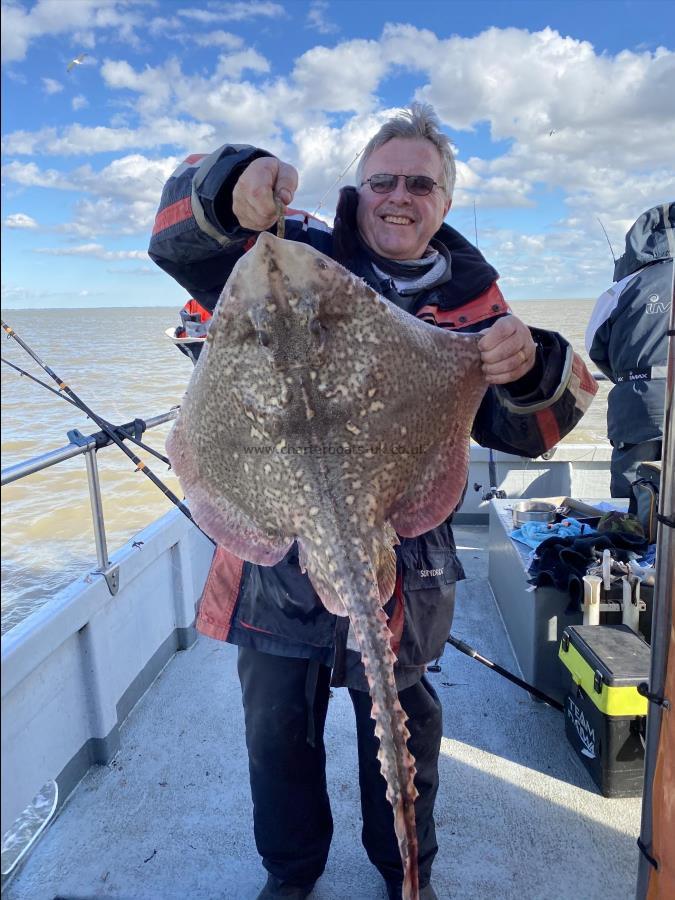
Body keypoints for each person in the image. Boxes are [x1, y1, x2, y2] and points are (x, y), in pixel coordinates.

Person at [149, 104, 597, 900]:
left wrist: (528, 365)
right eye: (381, 179)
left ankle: (404, 870)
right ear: (357, 187)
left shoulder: (473, 300)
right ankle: (291, 875)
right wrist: (229, 184)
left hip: (406, 551)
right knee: (276, 729)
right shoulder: (298, 249)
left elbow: (539, 425)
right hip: (276, 549)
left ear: (444, 203)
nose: (398, 195)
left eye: (418, 184)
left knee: (399, 719)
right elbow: (179, 238)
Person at [586, 203, 674, 498]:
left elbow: (594, 345)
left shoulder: (622, 287)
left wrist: (631, 376)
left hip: (637, 406)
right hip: (649, 400)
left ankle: (630, 540)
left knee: (632, 494)